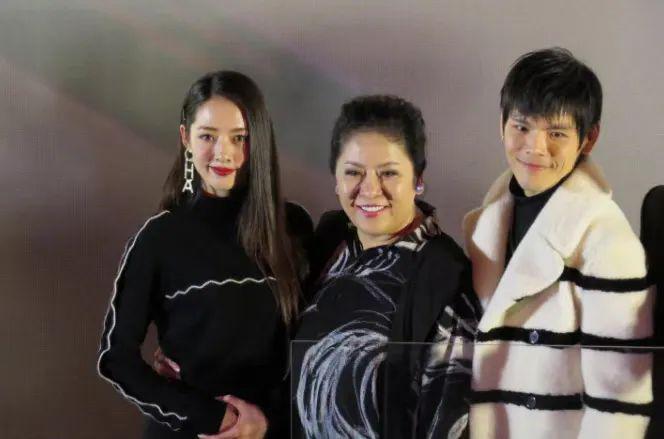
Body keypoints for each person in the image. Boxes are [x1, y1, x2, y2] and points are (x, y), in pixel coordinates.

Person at [97, 70, 311, 439]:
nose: (223, 152)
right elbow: (115, 359)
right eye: (207, 136)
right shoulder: (159, 238)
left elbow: (317, 344)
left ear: (259, 140)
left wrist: (267, 422)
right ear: (186, 138)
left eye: (239, 138)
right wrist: (212, 417)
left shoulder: (294, 227)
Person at [464, 48, 654, 438]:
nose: (535, 147)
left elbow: (618, 404)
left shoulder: (608, 242)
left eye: (556, 133)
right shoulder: (484, 224)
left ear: (589, 138)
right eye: (521, 127)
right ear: (501, 124)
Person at [293, 95, 482, 438]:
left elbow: (449, 422)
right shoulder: (328, 245)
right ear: (336, 178)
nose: (369, 189)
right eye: (353, 172)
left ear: (418, 179)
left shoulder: (444, 278)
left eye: (389, 173)